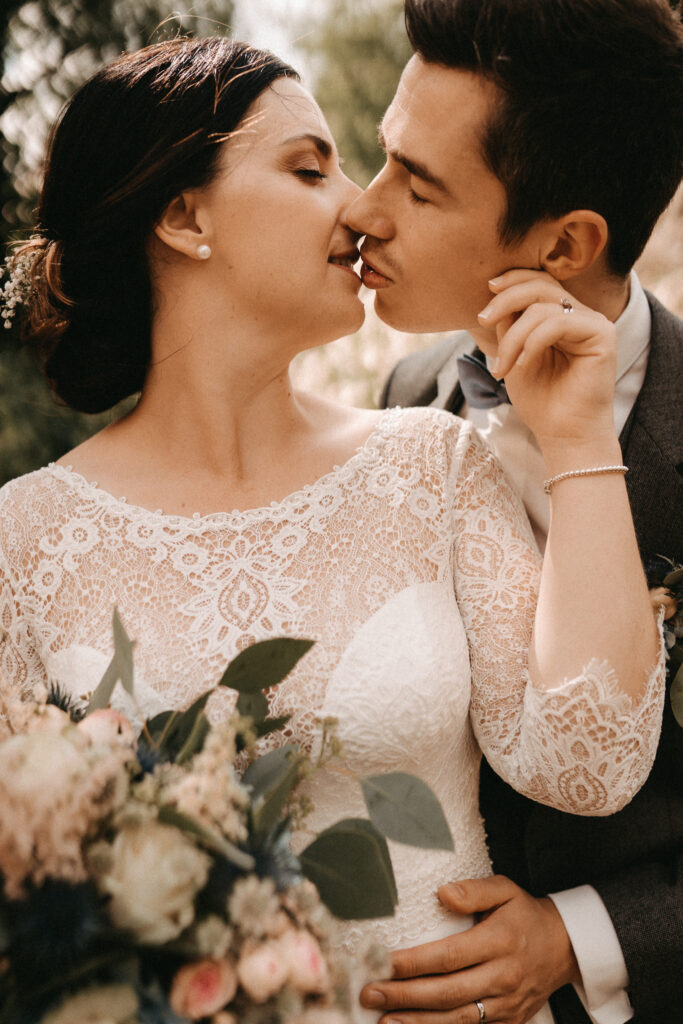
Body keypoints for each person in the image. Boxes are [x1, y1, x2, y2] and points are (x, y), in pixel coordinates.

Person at [0, 35, 664, 1024]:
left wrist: (576, 442)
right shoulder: (22, 541)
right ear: (185, 218)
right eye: (310, 169)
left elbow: (588, 764)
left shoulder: (433, 462)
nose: (357, 207)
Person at [345, 1, 683, 1023]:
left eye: (417, 185)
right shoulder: (409, 397)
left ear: (565, 242)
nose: (363, 211)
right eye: (380, 159)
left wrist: (581, 935)